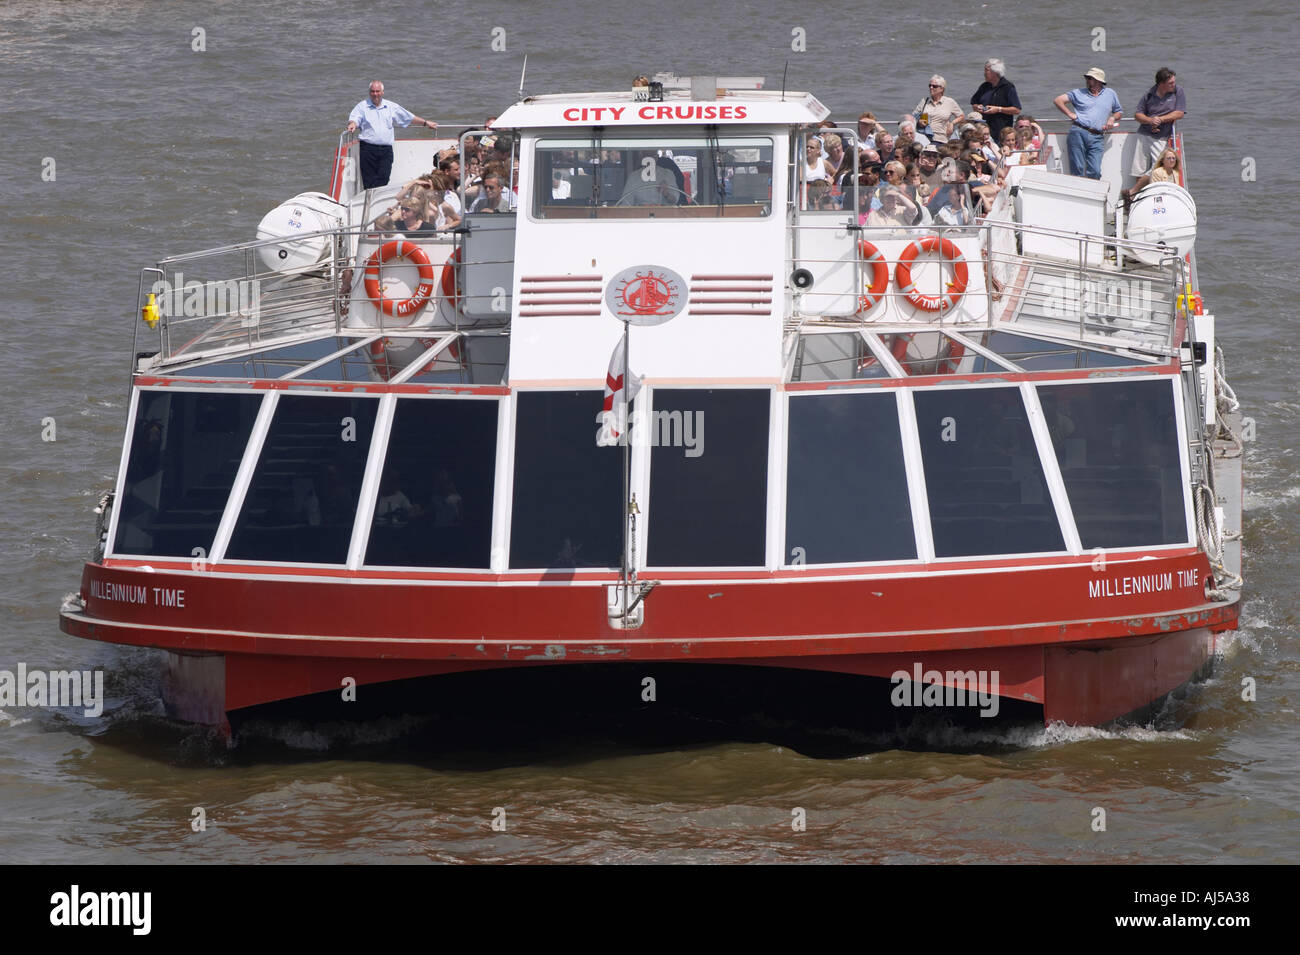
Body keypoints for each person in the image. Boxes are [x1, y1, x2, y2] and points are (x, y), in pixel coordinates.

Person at [346, 81, 438, 190]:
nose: (375, 94)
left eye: (377, 91)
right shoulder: (362, 106)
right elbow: (355, 118)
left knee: (384, 178)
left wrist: (425, 122)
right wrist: (353, 124)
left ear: (382, 92)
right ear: (369, 92)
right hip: (368, 149)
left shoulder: (390, 106)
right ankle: (370, 202)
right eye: (372, 91)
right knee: (368, 180)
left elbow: (408, 117)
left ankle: (377, 199)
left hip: (386, 150)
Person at [1054, 67, 1122, 179]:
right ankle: (1078, 195)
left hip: (1098, 136)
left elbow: (1119, 112)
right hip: (1078, 132)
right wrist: (1070, 114)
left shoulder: (1110, 93)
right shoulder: (1078, 93)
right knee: (1077, 169)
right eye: (1087, 78)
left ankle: (1095, 195)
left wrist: (1112, 118)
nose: (1087, 80)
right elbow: (1058, 100)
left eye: (1090, 78)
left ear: (1099, 81)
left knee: (1095, 171)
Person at [1131, 67, 1187, 179]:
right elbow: (1138, 115)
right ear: (1161, 84)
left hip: (1162, 136)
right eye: (1170, 83)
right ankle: (1138, 193)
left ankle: (1135, 190)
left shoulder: (1178, 91)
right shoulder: (1149, 94)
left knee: (1160, 166)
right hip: (1144, 133)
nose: (1173, 85)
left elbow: (1179, 113)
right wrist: (1150, 120)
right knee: (1139, 168)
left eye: (1174, 82)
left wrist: (1161, 119)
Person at [969, 58, 1022, 142]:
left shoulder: (1008, 87)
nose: (984, 73)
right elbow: (974, 103)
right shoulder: (984, 86)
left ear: (995, 72)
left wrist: (998, 109)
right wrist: (977, 107)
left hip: (1000, 132)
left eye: (986, 70)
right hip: (983, 130)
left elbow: (1017, 109)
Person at [914, 75, 964, 143]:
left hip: (941, 139)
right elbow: (913, 117)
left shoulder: (949, 102)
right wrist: (919, 122)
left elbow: (961, 116)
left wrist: (952, 123)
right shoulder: (924, 101)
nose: (931, 88)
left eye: (934, 86)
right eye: (930, 85)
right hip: (924, 138)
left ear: (942, 89)